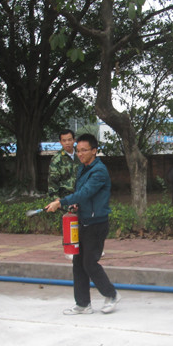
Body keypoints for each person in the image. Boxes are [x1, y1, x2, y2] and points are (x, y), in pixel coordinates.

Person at [45, 133, 121, 314]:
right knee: (78, 264)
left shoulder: (99, 171)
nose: (80, 154)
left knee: (89, 263)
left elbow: (85, 192)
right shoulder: (83, 169)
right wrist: (74, 205)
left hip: (96, 223)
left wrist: (61, 202)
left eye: (84, 150)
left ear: (94, 151)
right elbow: (82, 196)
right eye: (78, 150)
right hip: (83, 221)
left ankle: (111, 294)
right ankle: (83, 304)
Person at [47, 129, 79, 198]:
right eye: (64, 141)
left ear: (74, 140)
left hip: (82, 195)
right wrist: (56, 199)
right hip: (65, 197)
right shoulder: (57, 159)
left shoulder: (81, 154)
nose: (67, 143)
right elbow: (53, 182)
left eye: (69, 140)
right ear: (60, 142)